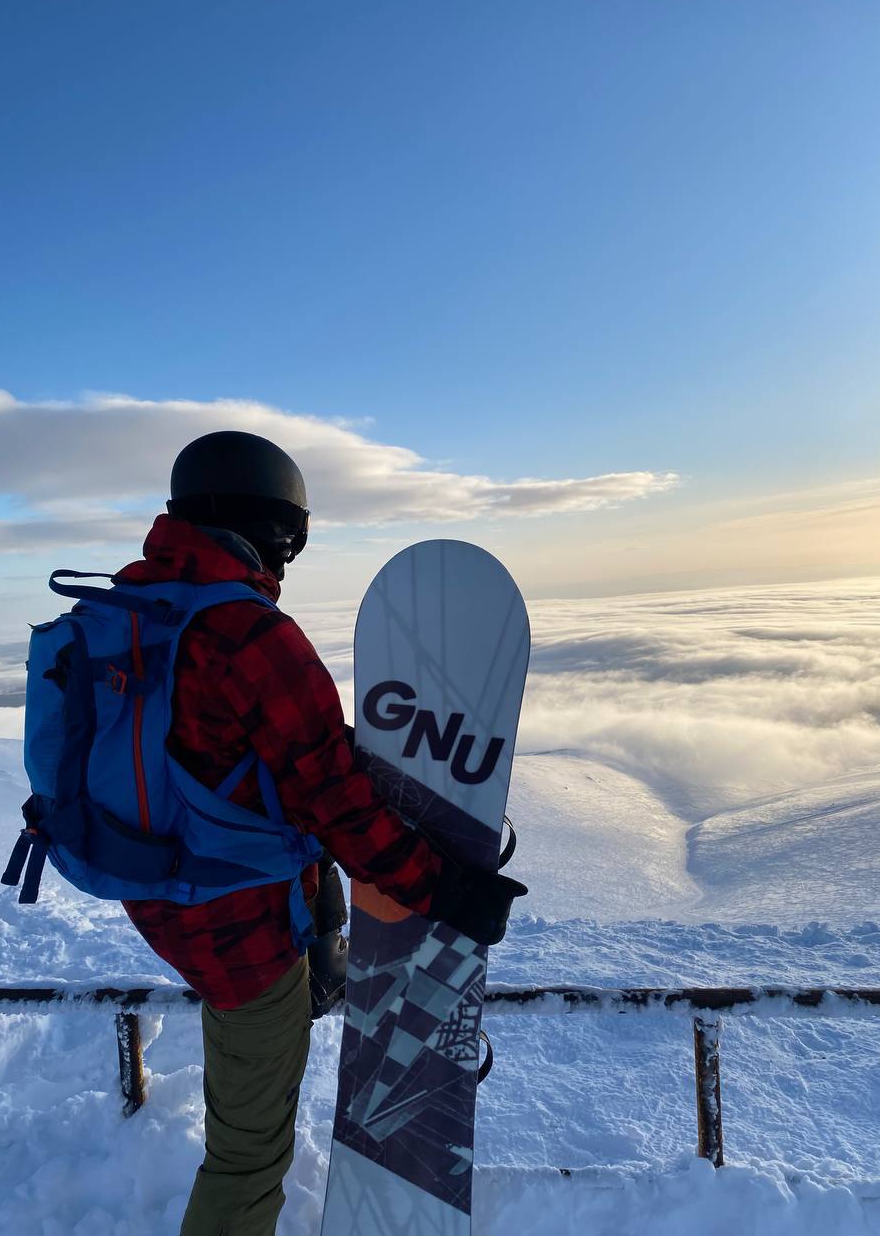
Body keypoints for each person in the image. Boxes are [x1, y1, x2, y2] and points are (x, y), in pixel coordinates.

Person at [116, 430, 525, 1236]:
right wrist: (450, 894)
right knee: (247, 1153)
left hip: (157, 882)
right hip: (235, 930)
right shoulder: (251, 637)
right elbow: (337, 806)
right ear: (273, 526)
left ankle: (309, 975)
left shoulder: (132, 603)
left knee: (269, 1006)